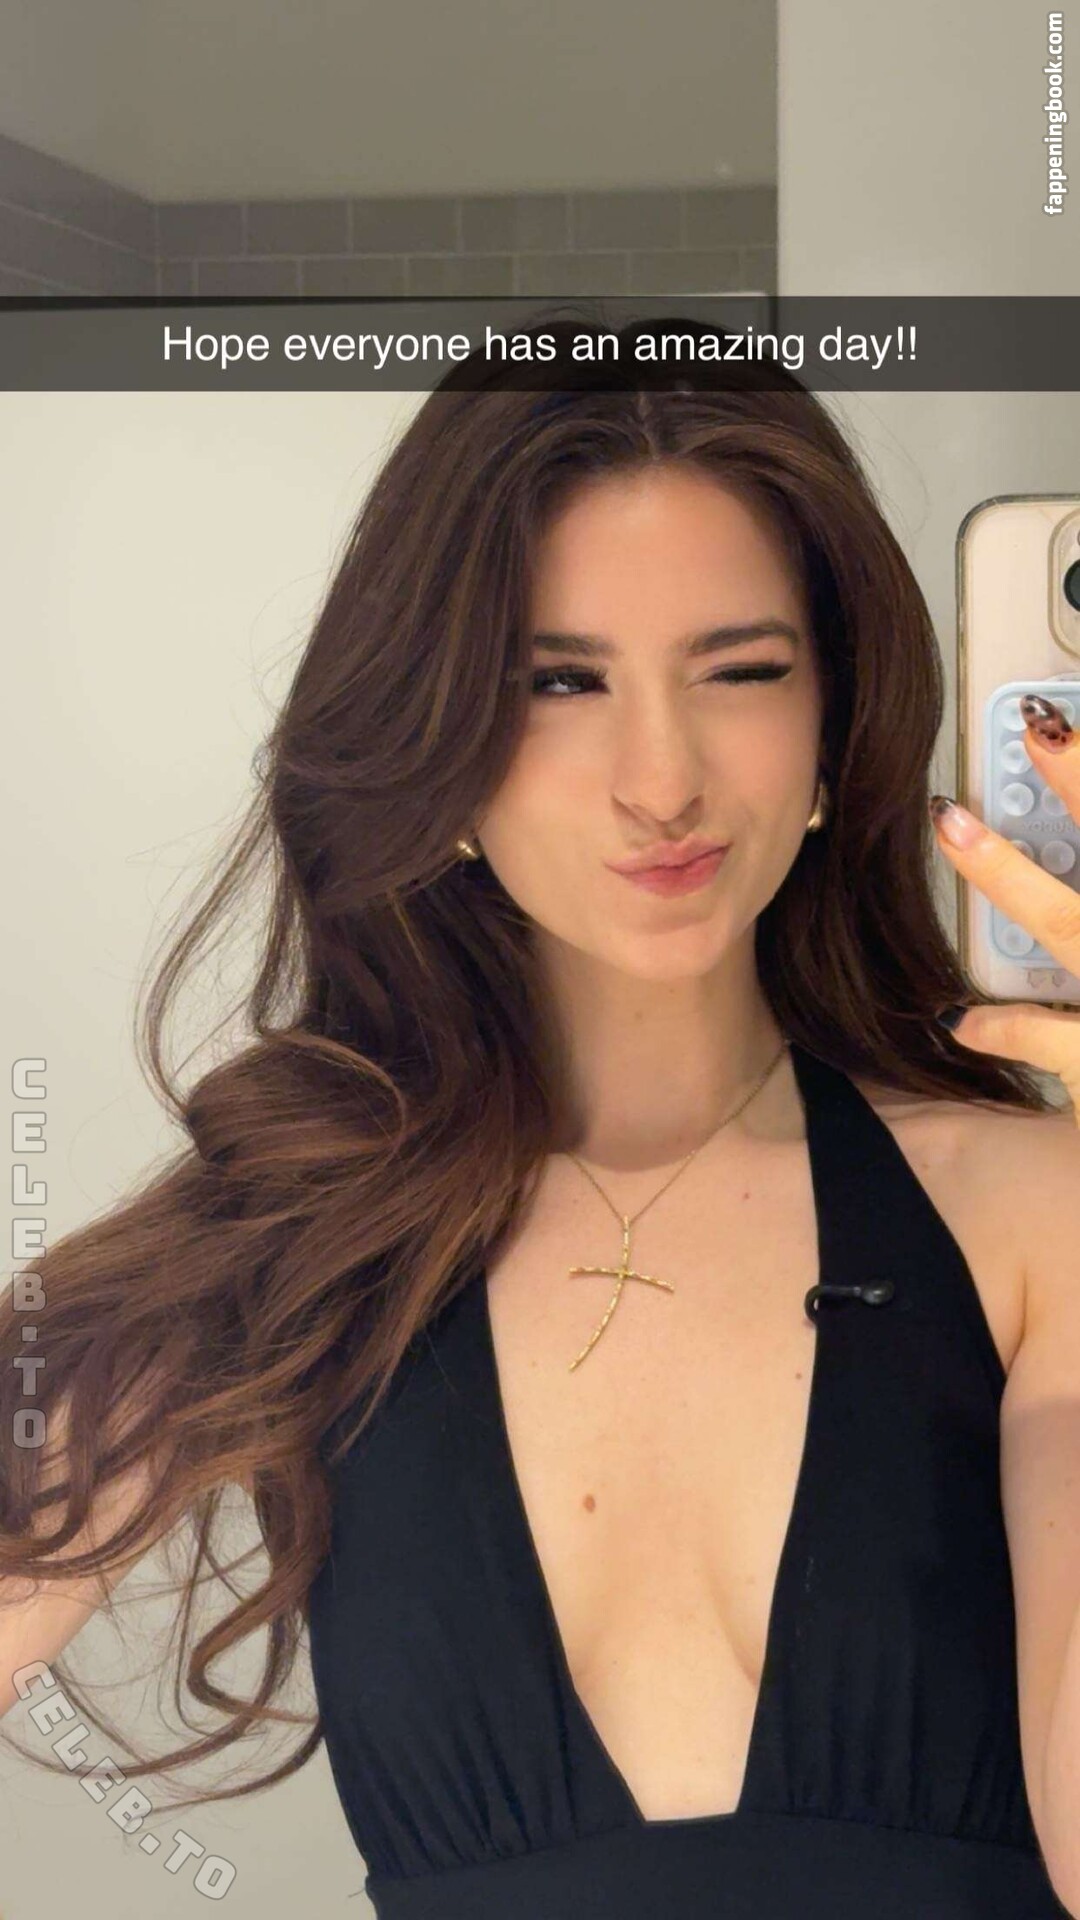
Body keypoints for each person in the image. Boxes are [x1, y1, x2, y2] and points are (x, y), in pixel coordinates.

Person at [3, 319, 1080, 1920]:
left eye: (741, 671)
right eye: (559, 683)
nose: (662, 777)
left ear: (832, 731)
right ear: (436, 741)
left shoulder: (1030, 1212)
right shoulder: (284, 1250)